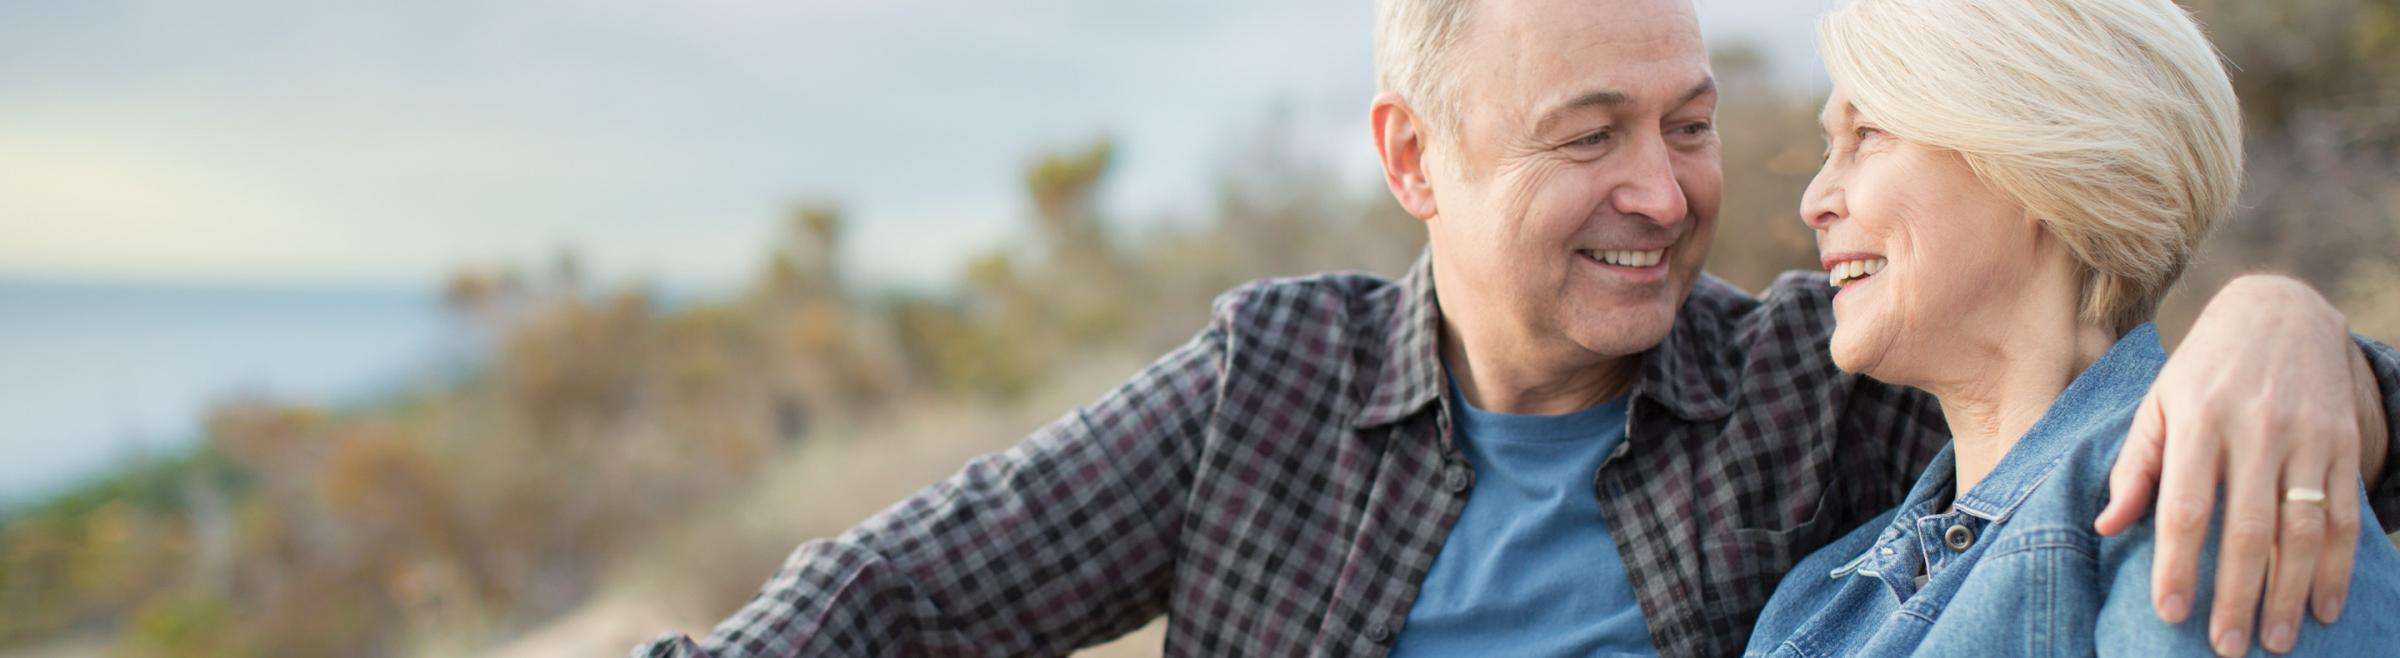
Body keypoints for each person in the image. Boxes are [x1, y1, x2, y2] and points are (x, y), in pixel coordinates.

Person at [636, 1, 2400, 656]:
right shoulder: (1278, 387)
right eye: (1588, 135)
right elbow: (901, 593)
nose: (1671, 191)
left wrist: (2291, 329)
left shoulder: (1816, 384)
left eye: (1692, 123)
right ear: (1414, 158)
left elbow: (2116, 420)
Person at [1744, 0, 2400, 656]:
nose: (1814, 201)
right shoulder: (1819, 599)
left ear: (2035, 165)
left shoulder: (2209, 485)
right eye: (1830, 147)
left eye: (1869, 134)